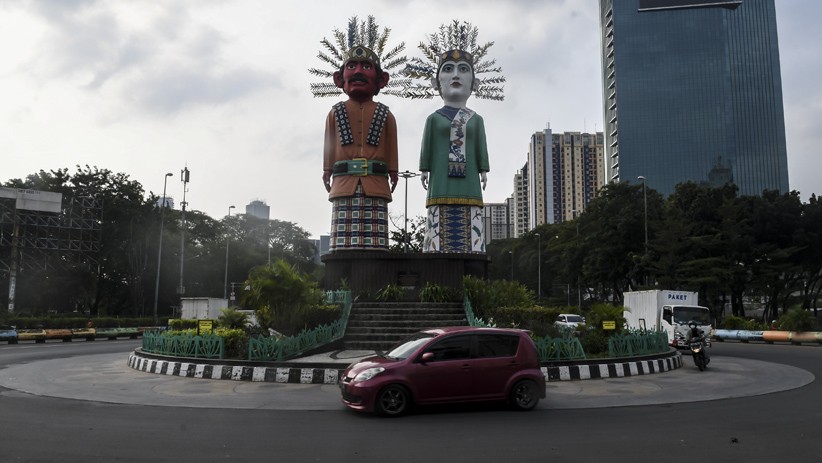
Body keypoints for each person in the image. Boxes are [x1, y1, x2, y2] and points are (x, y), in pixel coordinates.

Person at [322, 45, 399, 251]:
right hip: (343, 181)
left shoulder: (386, 114)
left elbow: (392, 145)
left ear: (381, 79)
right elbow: (329, 142)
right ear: (339, 78)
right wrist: (327, 169)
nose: (357, 71)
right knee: (342, 242)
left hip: (376, 182)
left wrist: (393, 170)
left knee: (376, 242)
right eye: (351, 66)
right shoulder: (334, 113)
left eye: (366, 66)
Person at [419, 49, 489, 253]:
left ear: (474, 84)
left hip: (470, 180)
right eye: (448, 69)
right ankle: (435, 249)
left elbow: (481, 147)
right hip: (440, 178)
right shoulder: (433, 118)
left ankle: (474, 250)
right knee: (438, 216)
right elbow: (427, 145)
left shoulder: (476, 119)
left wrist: (484, 169)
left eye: (464, 70)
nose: (456, 75)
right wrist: (424, 169)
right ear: (436, 82)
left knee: (472, 217)